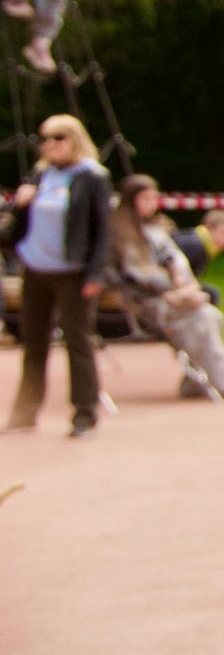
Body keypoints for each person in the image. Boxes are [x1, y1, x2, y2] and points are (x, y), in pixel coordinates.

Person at [1, 114, 113, 436]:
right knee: (33, 342)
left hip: (73, 272)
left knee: (77, 341)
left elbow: (103, 230)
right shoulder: (40, 174)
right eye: (45, 139)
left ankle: (84, 414)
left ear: (75, 139)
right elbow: (17, 226)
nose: (50, 144)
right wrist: (19, 205)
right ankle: (24, 413)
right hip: (35, 269)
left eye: (58, 137)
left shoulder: (92, 177)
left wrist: (96, 273)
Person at [109, 174, 224, 401]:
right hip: (139, 302)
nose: (151, 204)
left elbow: (177, 262)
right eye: (145, 198)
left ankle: (195, 380)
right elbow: (137, 273)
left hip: (168, 296)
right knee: (201, 319)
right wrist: (172, 290)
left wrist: (187, 288)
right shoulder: (119, 233)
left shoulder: (155, 231)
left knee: (212, 315)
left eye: (154, 198)